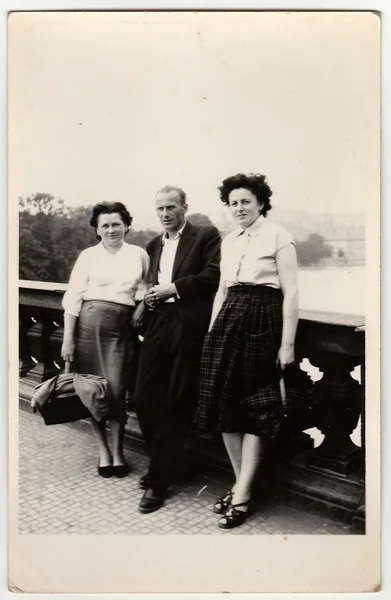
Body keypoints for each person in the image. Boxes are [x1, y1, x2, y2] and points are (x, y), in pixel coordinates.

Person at [195, 173, 299, 529]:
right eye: (233, 202)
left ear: (260, 203)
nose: (239, 208)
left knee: (254, 405)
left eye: (245, 202)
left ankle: (241, 493)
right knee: (223, 403)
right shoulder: (230, 240)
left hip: (262, 319)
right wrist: (211, 333)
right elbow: (222, 291)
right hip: (228, 320)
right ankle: (242, 487)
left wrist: (287, 344)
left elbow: (292, 293)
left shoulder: (279, 236)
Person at [132, 185, 221, 513]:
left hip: (189, 327)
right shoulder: (154, 244)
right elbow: (150, 283)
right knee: (143, 397)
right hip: (158, 325)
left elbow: (214, 275)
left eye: (171, 207)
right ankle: (167, 465)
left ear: (185, 207)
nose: (166, 214)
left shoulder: (206, 235)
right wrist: (150, 297)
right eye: (160, 209)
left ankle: (158, 481)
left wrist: (174, 289)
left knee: (174, 401)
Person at [61, 201, 149, 479]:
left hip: (121, 329)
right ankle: (103, 452)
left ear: (126, 226)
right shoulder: (88, 256)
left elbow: (147, 288)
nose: (111, 230)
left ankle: (119, 451)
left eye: (116, 224)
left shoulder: (138, 254)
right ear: (97, 230)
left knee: (115, 391)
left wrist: (142, 306)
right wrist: (67, 340)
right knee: (91, 391)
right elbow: (73, 297)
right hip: (87, 327)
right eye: (105, 225)